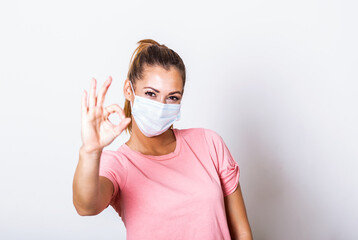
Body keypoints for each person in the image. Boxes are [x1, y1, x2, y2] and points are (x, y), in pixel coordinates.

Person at [73, 39, 253, 240]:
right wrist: (90, 151)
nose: (161, 106)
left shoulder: (209, 144)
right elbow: (86, 206)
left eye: (172, 97)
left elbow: (242, 232)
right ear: (128, 90)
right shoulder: (118, 164)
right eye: (151, 93)